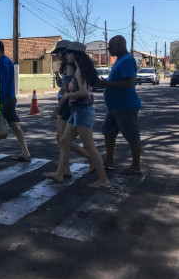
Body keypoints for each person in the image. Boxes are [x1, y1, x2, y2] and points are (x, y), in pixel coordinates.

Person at [43, 42, 110, 189]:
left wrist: (67, 95)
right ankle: (59, 173)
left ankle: (103, 179)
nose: (66, 55)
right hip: (76, 111)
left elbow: (83, 92)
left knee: (89, 146)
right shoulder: (80, 69)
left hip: (82, 111)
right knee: (64, 141)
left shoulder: (79, 70)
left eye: (69, 53)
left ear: (76, 54)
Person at [99, 35, 142, 175]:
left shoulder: (127, 60)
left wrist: (107, 84)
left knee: (132, 136)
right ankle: (109, 161)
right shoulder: (120, 60)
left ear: (120, 45)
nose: (108, 49)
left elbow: (129, 83)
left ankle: (136, 166)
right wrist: (107, 85)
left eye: (110, 46)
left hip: (125, 106)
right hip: (114, 106)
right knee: (108, 132)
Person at [51, 40, 89, 176]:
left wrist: (58, 106)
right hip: (65, 102)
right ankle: (65, 168)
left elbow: (69, 89)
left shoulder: (71, 67)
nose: (57, 56)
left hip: (66, 104)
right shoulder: (68, 66)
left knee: (63, 140)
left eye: (58, 53)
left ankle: (92, 159)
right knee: (62, 139)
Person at [0, 40, 31, 161]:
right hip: (9, 98)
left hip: (5, 99)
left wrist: (0, 101)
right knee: (12, 125)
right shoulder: (6, 62)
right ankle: (25, 151)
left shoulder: (3, 63)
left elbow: (3, 84)